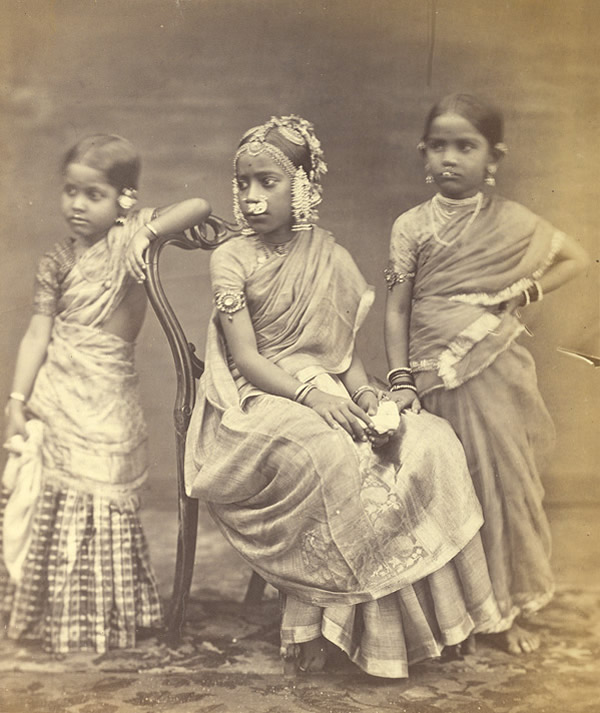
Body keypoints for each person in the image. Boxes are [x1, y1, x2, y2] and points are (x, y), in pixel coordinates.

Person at [183, 114, 502, 679]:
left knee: (427, 438)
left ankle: (440, 622)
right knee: (333, 456)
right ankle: (312, 630)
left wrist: (373, 396)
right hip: (254, 401)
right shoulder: (230, 257)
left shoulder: (330, 256)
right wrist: (314, 395)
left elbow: (346, 356)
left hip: (324, 391)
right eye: (244, 184)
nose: (252, 198)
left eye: (268, 182)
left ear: (304, 186)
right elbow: (250, 360)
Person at [384, 93, 590, 655]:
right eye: (439, 146)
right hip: (430, 373)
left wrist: (526, 291)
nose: (450, 157)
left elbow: (576, 256)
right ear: (423, 153)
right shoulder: (410, 227)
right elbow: (398, 308)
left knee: (498, 481)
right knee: (438, 486)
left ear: (492, 156)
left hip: (494, 370)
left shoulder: (513, 221)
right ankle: (444, 614)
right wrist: (401, 379)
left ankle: (499, 612)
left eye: (465, 146)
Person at [1, 134, 211, 654]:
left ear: (125, 199)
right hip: (57, 393)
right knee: (52, 496)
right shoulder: (55, 261)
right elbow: (37, 335)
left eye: (93, 194)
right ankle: (50, 615)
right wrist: (16, 402)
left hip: (107, 394)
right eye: (70, 191)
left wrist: (149, 235)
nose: (76, 204)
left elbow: (200, 206)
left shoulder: (130, 239)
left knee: (102, 494)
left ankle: (104, 614)